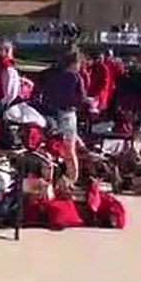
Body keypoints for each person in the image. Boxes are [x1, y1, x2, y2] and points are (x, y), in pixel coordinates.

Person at [33, 50, 87, 183]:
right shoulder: (76, 77)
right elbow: (81, 98)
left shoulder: (48, 73)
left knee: (48, 147)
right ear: (74, 63)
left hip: (48, 112)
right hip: (67, 113)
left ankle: (48, 179)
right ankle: (71, 180)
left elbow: (37, 87)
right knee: (69, 150)